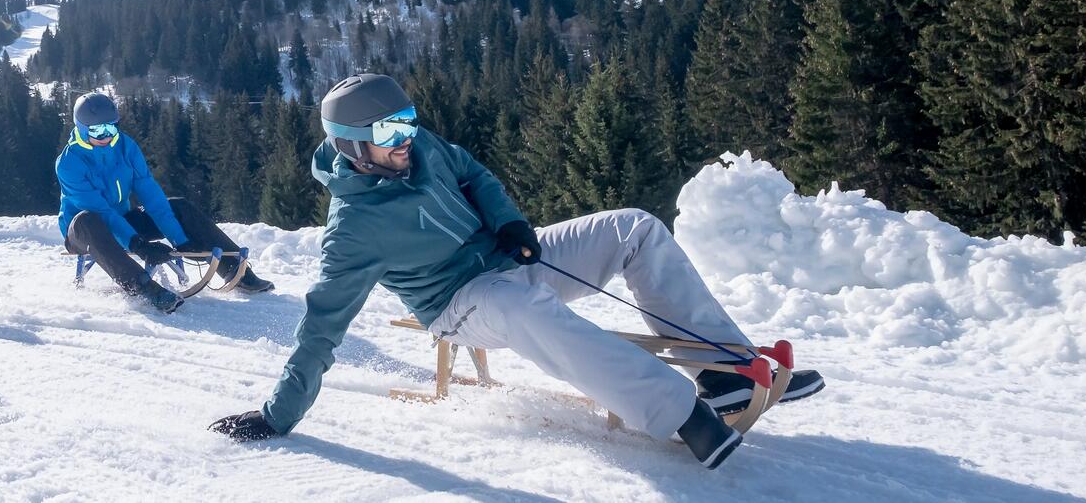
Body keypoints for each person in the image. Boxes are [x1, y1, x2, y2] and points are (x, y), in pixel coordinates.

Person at [208, 74, 825, 469]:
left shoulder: (418, 148)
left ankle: (727, 372)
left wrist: (510, 223)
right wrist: (276, 414)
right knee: (526, 311)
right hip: (459, 305)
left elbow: (473, 172)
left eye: (409, 121)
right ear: (351, 145)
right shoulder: (352, 232)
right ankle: (682, 414)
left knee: (632, 226)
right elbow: (321, 328)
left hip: (506, 258)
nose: (406, 138)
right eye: (390, 131)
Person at [57, 92, 273, 313]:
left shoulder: (125, 147)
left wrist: (179, 239)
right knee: (87, 220)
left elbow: (150, 193)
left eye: (111, 128)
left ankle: (237, 270)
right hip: (83, 232)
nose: (106, 136)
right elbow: (101, 211)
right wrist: (137, 245)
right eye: (97, 131)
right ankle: (145, 288)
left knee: (178, 206)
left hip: (123, 220)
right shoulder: (68, 164)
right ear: (82, 129)